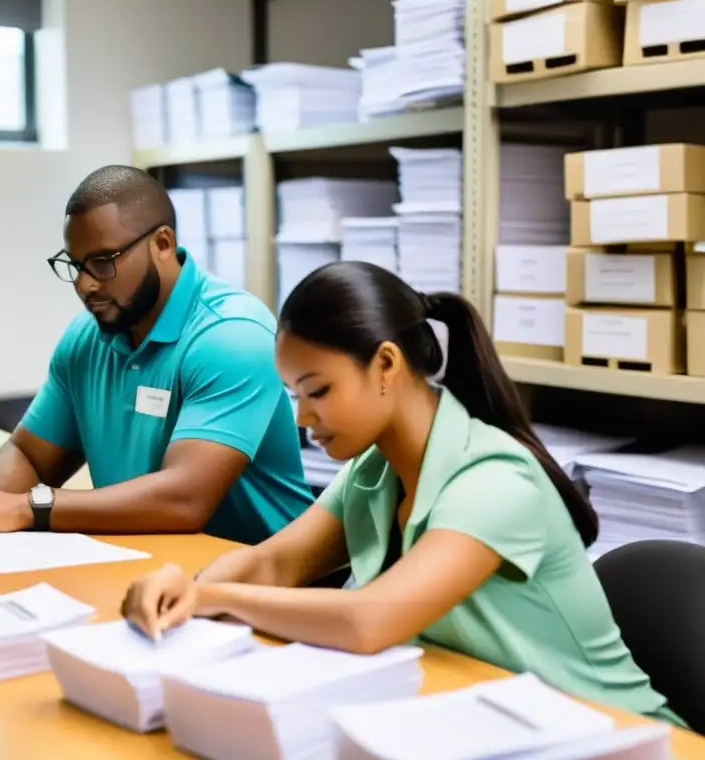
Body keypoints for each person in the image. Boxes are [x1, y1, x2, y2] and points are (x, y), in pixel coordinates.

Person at [119, 261, 686, 727]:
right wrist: (188, 589)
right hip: (492, 718)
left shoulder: (493, 478)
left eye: (317, 391)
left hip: (610, 735)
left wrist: (217, 600)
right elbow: (275, 562)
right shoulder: (375, 469)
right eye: (294, 393)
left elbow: (371, 621)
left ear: (385, 364)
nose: (300, 417)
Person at [0, 165, 313, 544]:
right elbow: (31, 456)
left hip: (261, 578)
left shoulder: (231, 335)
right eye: (75, 265)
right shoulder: (85, 339)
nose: (86, 285)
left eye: (103, 262)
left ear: (163, 243)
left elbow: (185, 499)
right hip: (149, 564)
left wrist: (27, 507)